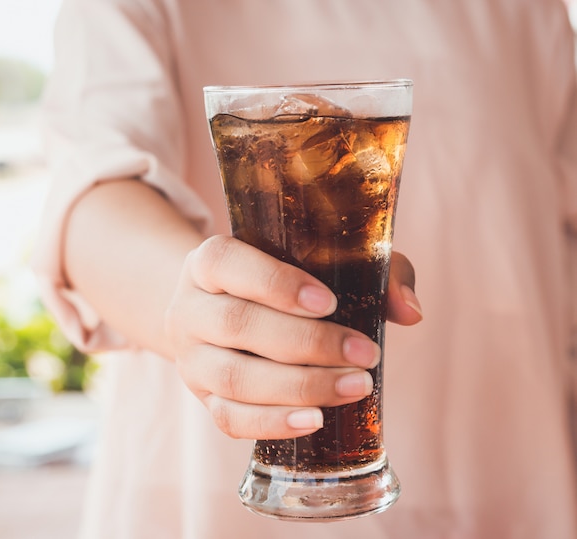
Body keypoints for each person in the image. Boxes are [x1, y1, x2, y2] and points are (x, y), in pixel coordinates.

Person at [32, 0, 577, 538]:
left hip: (513, 475)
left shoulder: (533, 11)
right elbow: (94, 195)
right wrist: (199, 313)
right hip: (209, 502)